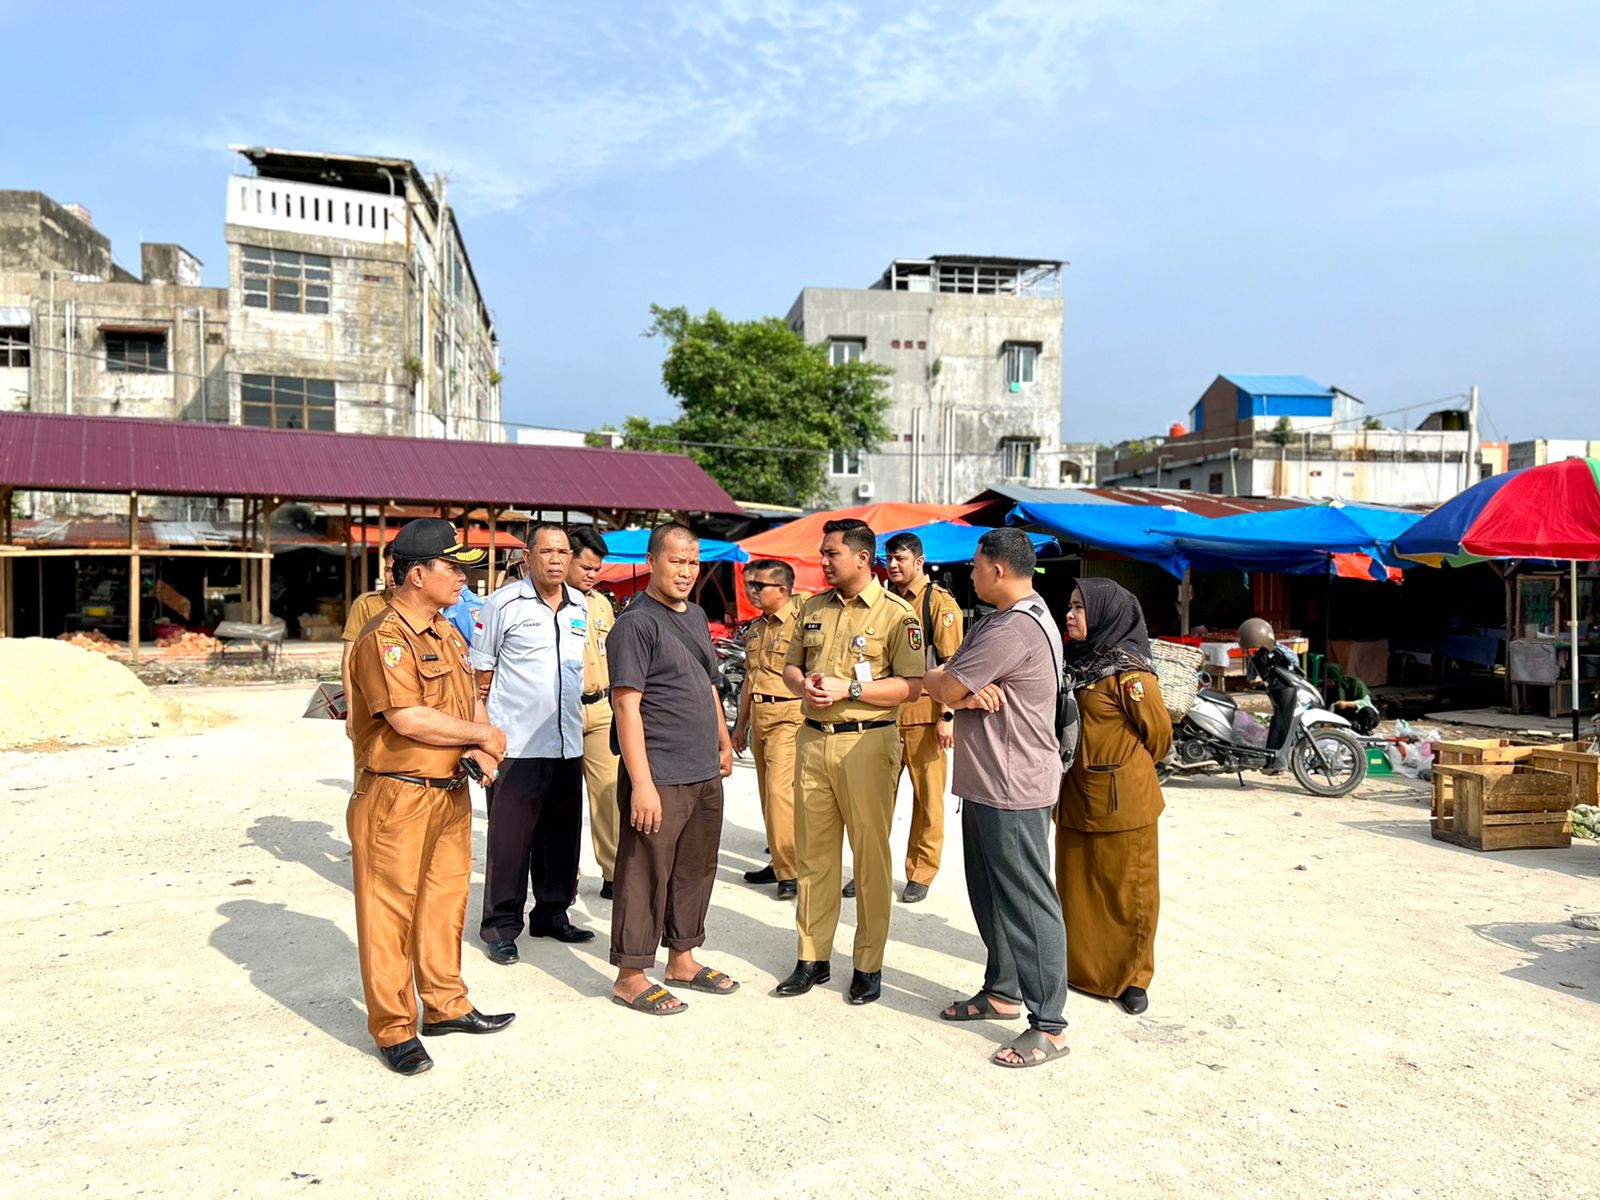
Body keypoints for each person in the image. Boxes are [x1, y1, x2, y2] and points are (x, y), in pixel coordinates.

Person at [345, 518, 513, 1076]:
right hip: (398, 795)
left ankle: (445, 1004)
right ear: (417, 574)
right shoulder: (385, 639)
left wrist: (485, 745)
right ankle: (395, 1028)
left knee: (445, 904)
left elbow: (471, 701)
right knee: (388, 913)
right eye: (454, 567)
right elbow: (406, 716)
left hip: (449, 792)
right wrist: (482, 737)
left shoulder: (447, 631)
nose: (464, 577)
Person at [922, 529, 1069, 1068]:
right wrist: (956, 684)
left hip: (1013, 786)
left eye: (977, 566)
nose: (973, 574)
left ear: (998, 570)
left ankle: (1049, 1024)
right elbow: (954, 684)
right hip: (990, 781)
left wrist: (949, 683)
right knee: (992, 896)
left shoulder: (1013, 628)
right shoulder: (1009, 622)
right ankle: (1004, 990)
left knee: (1028, 902)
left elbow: (940, 685)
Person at [776, 518, 925, 1007]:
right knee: (814, 857)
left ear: (862, 558)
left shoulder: (896, 615)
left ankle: (867, 964)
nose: (822, 561)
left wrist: (850, 688)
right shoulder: (813, 608)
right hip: (813, 741)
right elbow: (791, 665)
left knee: (869, 860)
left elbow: (913, 685)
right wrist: (805, 687)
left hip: (867, 745)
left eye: (831, 554)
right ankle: (812, 957)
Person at [605, 523, 737, 1014]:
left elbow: (707, 684)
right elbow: (626, 706)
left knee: (695, 868)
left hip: (702, 769)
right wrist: (641, 783)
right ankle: (631, 973)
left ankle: (682, 957)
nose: (686, 571)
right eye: (676, 561)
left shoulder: (698, 615)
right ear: (653, 561)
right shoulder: (635, 623)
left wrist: (723, 739)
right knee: (644, 872)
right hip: (659, 773)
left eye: (693, 562)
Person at [471, 522, 593, 966]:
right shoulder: (501, 605)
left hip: (565, 741)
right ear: (528, 557)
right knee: (510, 841)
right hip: (517, 746)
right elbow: (478, 678)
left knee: (562, 837)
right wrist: (483, 740)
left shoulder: (580, 604)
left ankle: (552, 913)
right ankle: (501, 926)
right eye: (548, 552)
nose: (557, 560)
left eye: (564, 552)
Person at [1057, 577, 1173, 1016]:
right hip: (1073, 793)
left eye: (1079, 608)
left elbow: (1158, 736)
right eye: (1069, 606)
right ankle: (1082, 969)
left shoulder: (1130, 672)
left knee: (1130, 893)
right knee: (1078, 887)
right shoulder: (1074, 663)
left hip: (1124, 800)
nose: (1070, 615)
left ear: (1106, 614)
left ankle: (1132, 978)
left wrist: (1120, 766)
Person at [873, 531, 964, 904]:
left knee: (928, 801)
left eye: (901, 559)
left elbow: (954, 663)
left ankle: (921, 871)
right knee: (875, 799)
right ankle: (872, 868)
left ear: (919, 562)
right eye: (890, 558)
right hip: (886, 714)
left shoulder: (938, 603)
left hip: (927, 715)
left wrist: (948, 715)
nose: (894, 565)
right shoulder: (882, 600)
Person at [731, 559, 806, 899]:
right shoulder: (757, 628)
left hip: (789, 716)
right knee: (767, 794)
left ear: (783, 589)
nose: (752, 591)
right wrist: (740, 725)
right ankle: (779, 861)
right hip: (760, 715)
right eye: (750, 585)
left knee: (780, 795)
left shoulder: (802, 621)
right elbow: (750, 679)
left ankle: (789, 871)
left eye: (759, 586)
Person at [565, 525, 620, 900]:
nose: (592, 574)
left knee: (609, 796)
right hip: (562, 710)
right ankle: (563, 877)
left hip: (601, 707)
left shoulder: (600, 603)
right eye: (586, 567)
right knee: (563, 800)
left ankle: (615, 874)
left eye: (596, 568)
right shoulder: (546, 601)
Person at [341, 541, 396, 778]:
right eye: (387, 569)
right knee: (367, 770)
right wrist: (351, 709)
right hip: (371, 705)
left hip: (408, 703)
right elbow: (348, 661)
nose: (391, 576)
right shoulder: (367, 605)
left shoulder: (430, 607)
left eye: (397, 568)